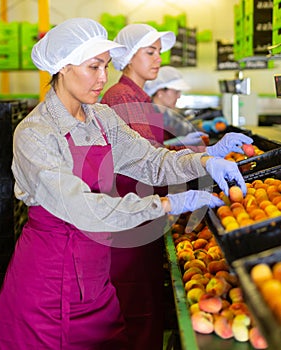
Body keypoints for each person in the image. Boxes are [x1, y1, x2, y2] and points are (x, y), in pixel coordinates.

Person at [0, 18, 249, 350]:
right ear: (64, 67)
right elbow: (80, 208)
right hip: (49, 283)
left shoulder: (102, 118)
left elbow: (150, 161)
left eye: (107, 66)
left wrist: (203, 160)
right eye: (94, 66)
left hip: (97, 275)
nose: (103, 78)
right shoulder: (35, 133)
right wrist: (166, 204)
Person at [101, 23, 253, 350]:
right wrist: (195, 166)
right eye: (150, 52)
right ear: (128, 57)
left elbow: (152, 155)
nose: (158, 59)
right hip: (132, 218)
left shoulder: (137, 97)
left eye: (159, 52)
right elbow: (144, 165)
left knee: (144, 305)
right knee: (136, 309)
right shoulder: (120, 98)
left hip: (145, 214)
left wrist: (203, 154)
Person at [144, 65, 208, 147]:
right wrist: (175, 143)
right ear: (160, 92)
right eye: (176, 92)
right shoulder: (150, 115)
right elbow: (151, 150)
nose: (179, 96)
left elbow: (183, 127)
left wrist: (206, 126)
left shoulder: (168, 113)